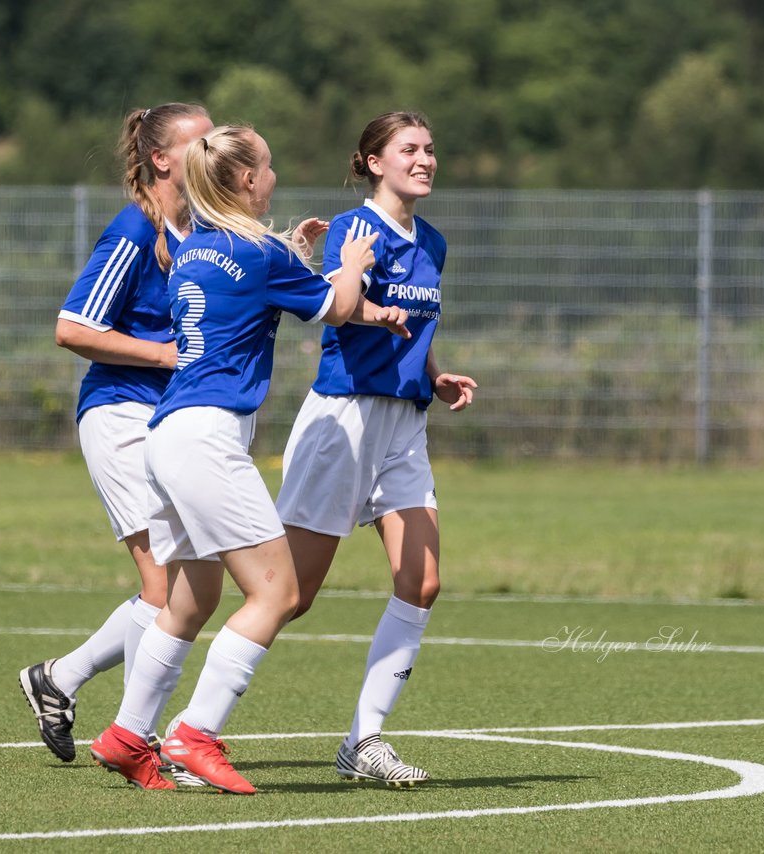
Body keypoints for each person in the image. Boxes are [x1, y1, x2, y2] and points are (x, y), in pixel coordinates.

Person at [88, 124, 408, 794]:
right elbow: (340, 307)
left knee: (191, 596)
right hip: (207, 438)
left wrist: (296, 254)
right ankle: (196, 731)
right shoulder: (260, 250)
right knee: (278, 592)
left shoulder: (195, 248)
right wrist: (347, 262)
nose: (274, 178)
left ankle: (126, 735)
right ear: (245, 181)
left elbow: (245, 293)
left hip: (165, 433)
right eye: (268, 167)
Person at [276, 111, 477, 787]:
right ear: (372, 162)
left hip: (404, 423)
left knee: (422, 581)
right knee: (286, 595)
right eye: (409, 149)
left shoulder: (435, 245)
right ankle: (178, 722)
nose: (425, 159)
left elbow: (412, 334)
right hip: (345, 419)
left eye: (430, 148)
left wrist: (434, 374)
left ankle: (364, 742)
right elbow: (336, 308)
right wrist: (362, 302)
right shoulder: (354, 232)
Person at [19, 103, 213, 764]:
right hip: (121, 414)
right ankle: (139, 735)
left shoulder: (201, 233)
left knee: (185, 584)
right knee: (165, 587)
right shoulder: (135, 229)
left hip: (170, 422)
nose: (215, 149)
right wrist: (164, 356)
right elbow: (72, 328)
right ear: (161, 159)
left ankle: (61, 679)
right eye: (200, 141)